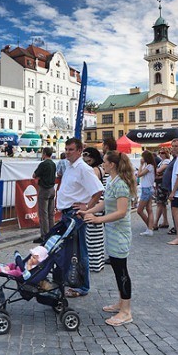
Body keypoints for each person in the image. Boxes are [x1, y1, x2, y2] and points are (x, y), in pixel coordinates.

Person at [78, 150, 137, 326]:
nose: (102, 164)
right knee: (117, 270)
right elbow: (104, 203)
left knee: (121, 271)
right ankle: (121, 303)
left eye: (104, 161)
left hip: (120, 234)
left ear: (112, 165)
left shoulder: (121, 184)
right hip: (112, 232)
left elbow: (120, 212)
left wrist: (98, 219)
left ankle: (126, 311)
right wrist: (88, 211)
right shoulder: (112, 181)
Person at [58, 138, 104, 298]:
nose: (67, 152)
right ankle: (69, 280)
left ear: (79, 151)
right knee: (68, 250)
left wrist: (87, 207)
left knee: (79, 250)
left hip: (75, 214)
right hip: (66, 213)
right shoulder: (69, 166)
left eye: (71, 149)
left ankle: (83, 286)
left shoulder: (83, 169)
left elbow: (98, 190)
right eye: (66, 149)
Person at [81, 147, 106, 273]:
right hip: (99, 203)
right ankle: (97, 262)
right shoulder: (100, 169)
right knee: (96, 234)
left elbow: (92, 188)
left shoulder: (94, 170)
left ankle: (93, 263)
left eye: (87, 155)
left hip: (94, 204)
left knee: (91, 235)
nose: (85, 158)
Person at [32, 146, 57, 243]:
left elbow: (34, 175)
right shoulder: (53, 164)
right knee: (51, 214)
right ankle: (52, 232)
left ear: (44, 153)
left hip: (44, 189)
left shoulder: (43, 164)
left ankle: (45, 235)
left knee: (43, 214)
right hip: (52, 189)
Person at [136, 150, 156, 236]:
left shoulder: (149, 166)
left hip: (146, 189)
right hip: (149, 188)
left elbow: (139, 174)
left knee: (139, 210)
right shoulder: (151, 166)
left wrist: (141, 164)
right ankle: (150, 228)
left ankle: (149, 226)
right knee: (149, 209)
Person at [153, 150, 171, 230]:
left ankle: (155, 223)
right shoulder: (162, 161)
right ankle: (165, 221)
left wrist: (157, 173)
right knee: (162, 204)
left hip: (162, 184)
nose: (161, 154)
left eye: (162, 152)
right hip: (160, 184)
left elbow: (158, 171)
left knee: (160, 203)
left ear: (166, 153)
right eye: (160, 152)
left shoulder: (166, 161)